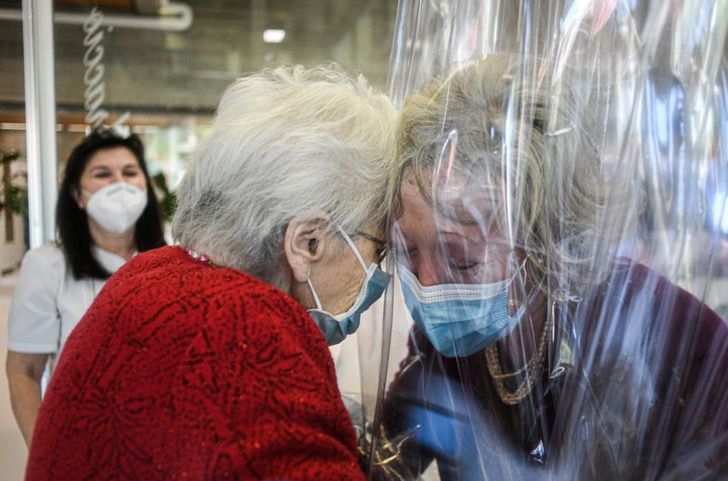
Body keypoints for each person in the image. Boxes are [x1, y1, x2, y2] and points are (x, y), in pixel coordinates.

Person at [25, 64, 396, 481]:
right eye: (377, 248)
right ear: (308, 242)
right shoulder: (252, 336)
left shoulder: (151, 274)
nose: (376, 271)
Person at [372, 54, 728, 480]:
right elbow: (389, 458)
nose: (428, 284)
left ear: (544, 244)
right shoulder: (448, 340)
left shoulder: (677, 342)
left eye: (461, 259)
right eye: (407, 251)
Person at [5, 129, 165, 446]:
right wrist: (45, 455)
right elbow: (23, 371)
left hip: (164, 440)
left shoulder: (171, 260)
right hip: (81, 440)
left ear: (146, 187)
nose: (119, 183)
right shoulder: (48, 264)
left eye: (130, 172)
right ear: (78, 195)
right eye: (102, 174)